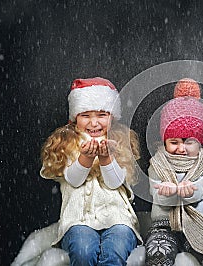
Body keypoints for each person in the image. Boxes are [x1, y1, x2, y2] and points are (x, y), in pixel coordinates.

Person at [40, 77, 142, 266]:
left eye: (102, 115)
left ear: (112, 116)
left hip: (117, 219)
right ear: (75, 117)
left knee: (115, 250)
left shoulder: (120, 142)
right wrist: (85, 158)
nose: (94, 123)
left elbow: (114, 183)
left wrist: (106, 159)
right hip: (79, 220)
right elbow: (74, 180)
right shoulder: (67, 143)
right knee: (83, 251)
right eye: (86, 115)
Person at [145, 79, 203, 266]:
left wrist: (189, 190)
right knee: (158, 253)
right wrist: (167, 191)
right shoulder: (157, 164)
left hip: (199, 224)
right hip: (163, 226)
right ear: (164, 141)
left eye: (189, 142)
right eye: (174, 142)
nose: (181, 149)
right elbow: (159, 196)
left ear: (200, 142)